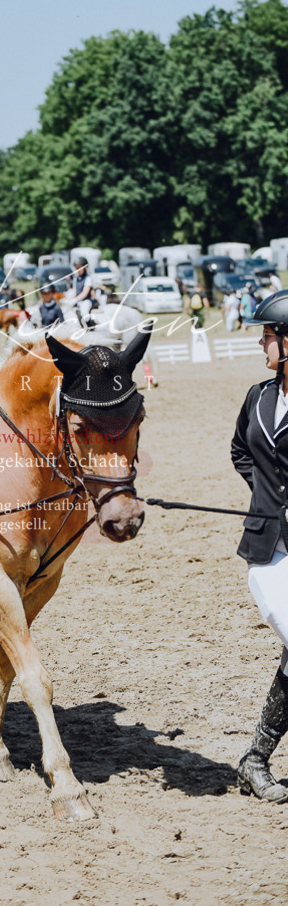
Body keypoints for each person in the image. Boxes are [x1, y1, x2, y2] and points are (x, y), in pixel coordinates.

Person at [231, 289, 288, 802]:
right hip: (269, 549)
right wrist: (269, 498)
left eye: (268, 336)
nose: (261, 343)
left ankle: (254, 759)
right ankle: (254, 759)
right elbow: (239, 451)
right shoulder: (258, 396)